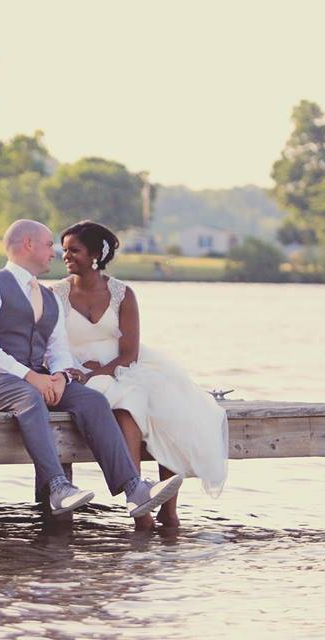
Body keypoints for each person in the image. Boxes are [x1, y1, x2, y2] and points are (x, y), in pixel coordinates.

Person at [0, 219, 184, 519]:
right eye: (49, 244)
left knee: (91, 400)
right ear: (28, 245)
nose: (54, 252)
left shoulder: (49, 296)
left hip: (34, 379)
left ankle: (134, 489)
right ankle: (58, 487)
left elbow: (58, 349)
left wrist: (62, 376)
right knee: (29, 396)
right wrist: (32, 377)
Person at [50, 220, 229, 529]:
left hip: (122, 368)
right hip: (76, 373)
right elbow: (50, 345)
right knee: (128, 410)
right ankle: (142, 509)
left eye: (74, 250)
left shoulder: (122, 294)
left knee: (165, 408)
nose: (65, 255)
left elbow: (129, 352)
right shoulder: (55, 295)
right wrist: (79, 374)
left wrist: (102, 372)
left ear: (94, 254)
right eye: (63, 249)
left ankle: (168, 509)